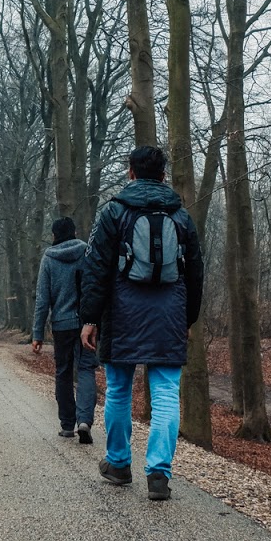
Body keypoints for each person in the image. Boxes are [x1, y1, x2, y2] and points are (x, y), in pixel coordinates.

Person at [79, 145, 203, 501]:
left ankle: (118, 464)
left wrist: (89, 318)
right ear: (164, 175)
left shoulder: (114, 212)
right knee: (166, 394)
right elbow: (195, 270)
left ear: (130, 172)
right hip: (169, 314)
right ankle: (159, 475)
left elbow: (96, 269)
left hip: (122, 313)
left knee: (118, 390)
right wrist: (187, 317)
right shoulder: (181, 216)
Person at [32, 216, 96, 443]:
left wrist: (37, 334)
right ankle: (85, 421)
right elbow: (94, 287)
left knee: (64, 372)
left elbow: (42, 300)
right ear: (75, 232)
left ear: (54, 236)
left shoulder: (48, 259)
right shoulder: (87, 253)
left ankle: (67, 425)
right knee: (87, 369)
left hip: (61, 325)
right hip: (87, 324)